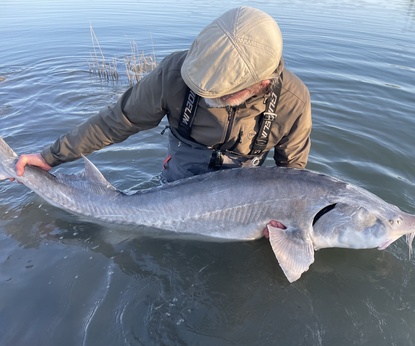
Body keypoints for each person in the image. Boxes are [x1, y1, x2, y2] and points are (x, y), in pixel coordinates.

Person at [14, 7, 312, 234]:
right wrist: (50, 157)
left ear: (261, 83)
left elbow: (293, 176)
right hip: (174, 186)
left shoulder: (293, 102)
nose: (203, 93)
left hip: (245, 206)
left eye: (218, 92)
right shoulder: (175, 74)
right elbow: (116, 121)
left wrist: (286, 216)